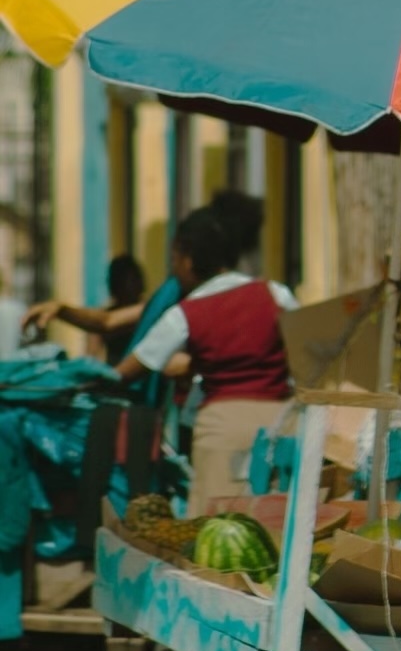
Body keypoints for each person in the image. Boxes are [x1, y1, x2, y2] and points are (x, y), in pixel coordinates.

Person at [115, 201, 295, 511]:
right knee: (276, 514)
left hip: (222, 428)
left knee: (217, 523)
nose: (173, 269)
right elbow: (308, 349)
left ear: (188, 260)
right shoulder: (275, 293)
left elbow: (130, 369)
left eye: (174, 259)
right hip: (280, 423)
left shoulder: (185, 313)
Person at [23, 253, 149, 356]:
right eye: (123, 282)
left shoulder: (149, 311)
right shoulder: (106, 315)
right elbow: (93, 352)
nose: (128, 287)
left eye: (131, 281)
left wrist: (62, 310)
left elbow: (106, 322)